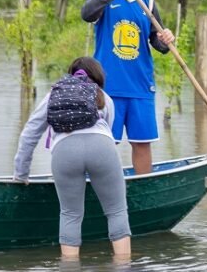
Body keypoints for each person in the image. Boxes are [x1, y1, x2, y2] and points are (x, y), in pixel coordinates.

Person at [14, 57, 131, 258]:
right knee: (116, 211)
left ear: (70, 75)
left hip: (64, 152)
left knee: (70, 214)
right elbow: (111, 137)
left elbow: (30, 133)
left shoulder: (54, 94)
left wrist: (21, 174)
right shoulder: (104, 97)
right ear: (99, 77)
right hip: (101, 147)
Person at [81, 0, 176, 175]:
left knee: (142, 143)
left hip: (141, 86)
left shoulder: (148, 2)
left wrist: (166, 39)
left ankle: (144, 188)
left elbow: (157, 42)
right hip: (108, 88)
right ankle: (103, 188)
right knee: (105, 144)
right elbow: (87, 14)